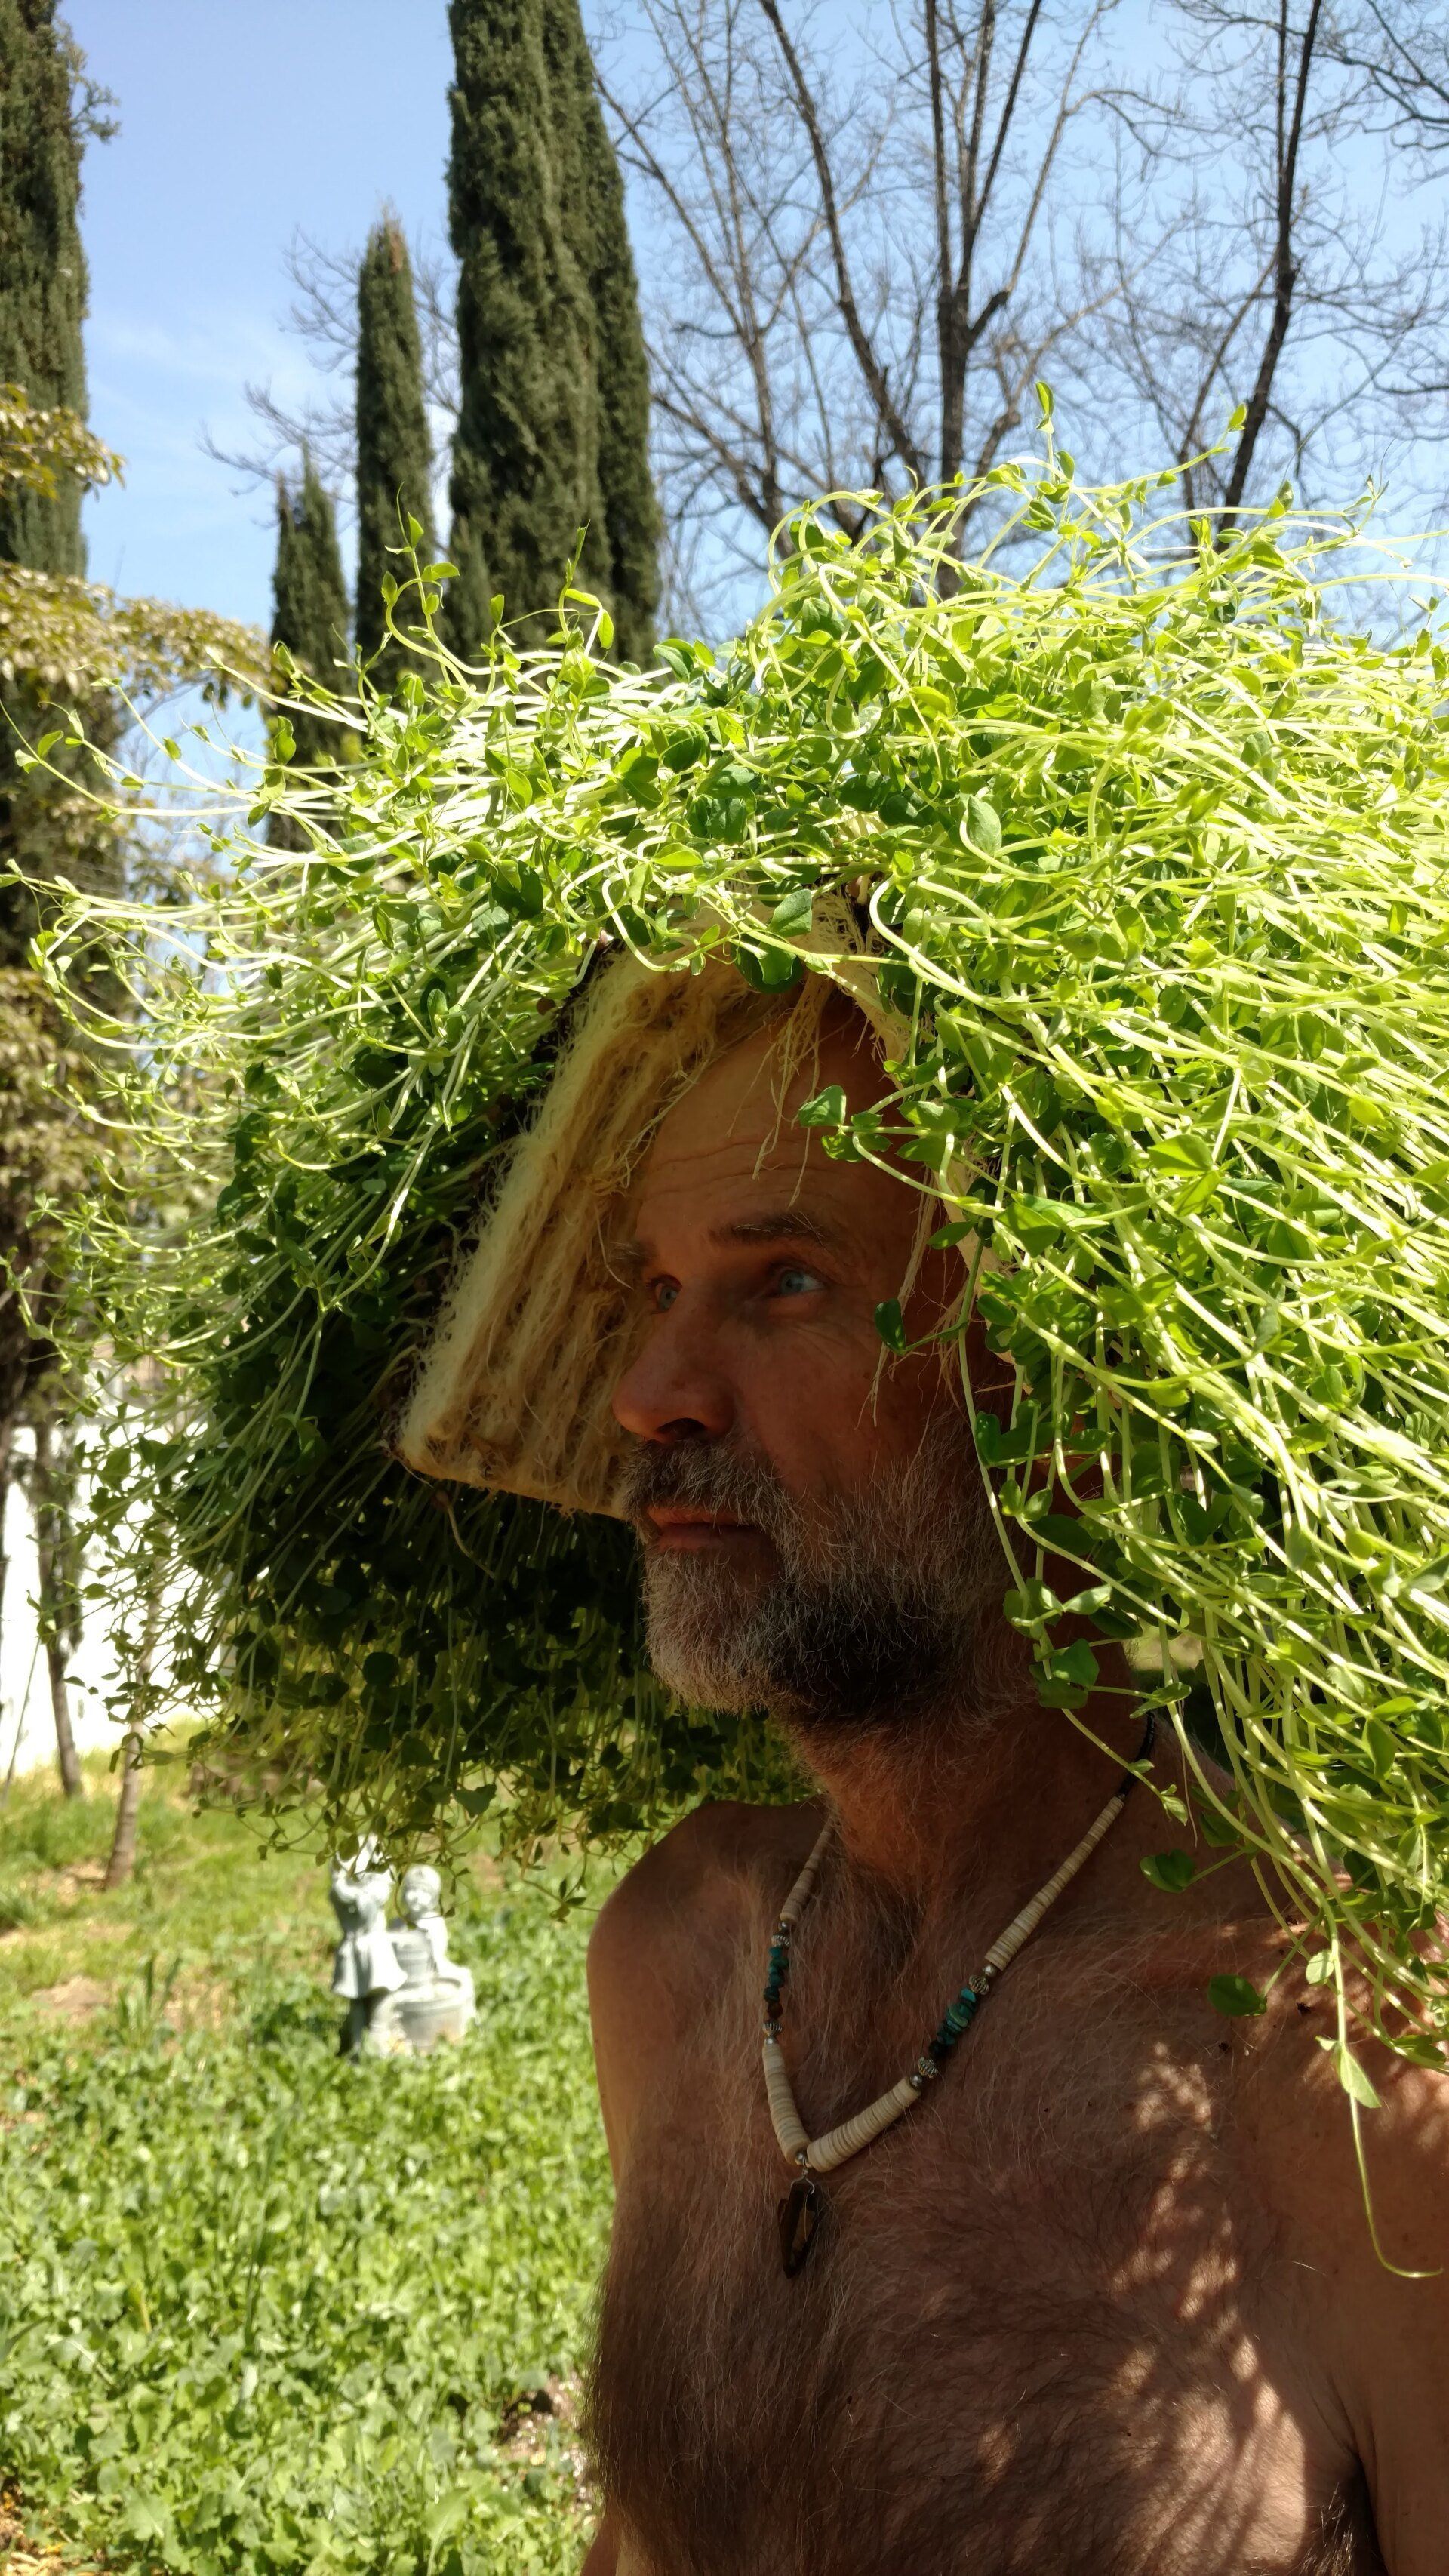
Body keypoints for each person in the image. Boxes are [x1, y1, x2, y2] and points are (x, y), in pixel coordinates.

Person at [577, 995, 1449, 2575]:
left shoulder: (1354, 2062)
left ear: (1069, 1379)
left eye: (785, 1280)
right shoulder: (677, 1961)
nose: (650, 1389)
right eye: (657, 1286)